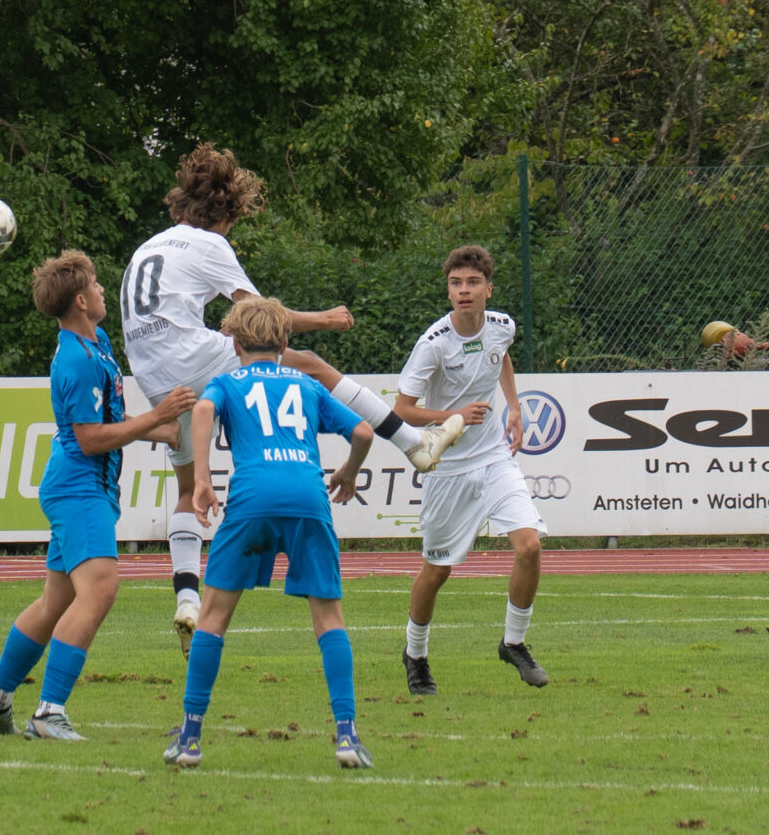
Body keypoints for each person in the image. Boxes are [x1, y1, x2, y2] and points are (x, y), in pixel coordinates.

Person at [122, 143, 463, 651]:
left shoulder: (151, 245)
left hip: (151, 370)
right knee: (307, 361)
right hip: (187, 352)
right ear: (225, 212)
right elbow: (258, 318)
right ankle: (414, 443)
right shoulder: (209, 244)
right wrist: (324, 318)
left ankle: (187, 598)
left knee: (188, 488)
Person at [0, 251, 193, 740]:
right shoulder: (75, 360)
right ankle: (49, 713)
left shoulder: (97, 343)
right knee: (101, 590)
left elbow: (106, 418)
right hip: (80, 488)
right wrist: (156, 417)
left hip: (84, 486)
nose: (101, 290)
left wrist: (159, 430)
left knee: (55, 602)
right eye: (94, 285)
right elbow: (90, 439)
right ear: (80, 301)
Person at [163, 296, 378, 771]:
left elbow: (203, 410)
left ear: (234, 343)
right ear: (284, 343)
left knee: (213, 616)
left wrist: (202, 479)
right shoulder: (307, 384)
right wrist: (348, 472)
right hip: (307, 497)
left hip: (253, 498)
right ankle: (346, 735)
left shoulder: (226, 382)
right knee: (329, 618)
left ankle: (191, 738)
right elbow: (364, 431)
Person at [394, 245, 549, 694]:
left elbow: (501, 357)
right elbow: (402, 410)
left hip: (494, 458)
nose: (464, 290)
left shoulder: (503, 326)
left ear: (488, 289)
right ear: (448, 291)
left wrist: (514, 408)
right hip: (448, 468)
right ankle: (415, 654)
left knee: (529, 546)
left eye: (473, 283)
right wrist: (454, 414)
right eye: (456, 283)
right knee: (437, 571)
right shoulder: (434, 344)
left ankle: (513, 643)